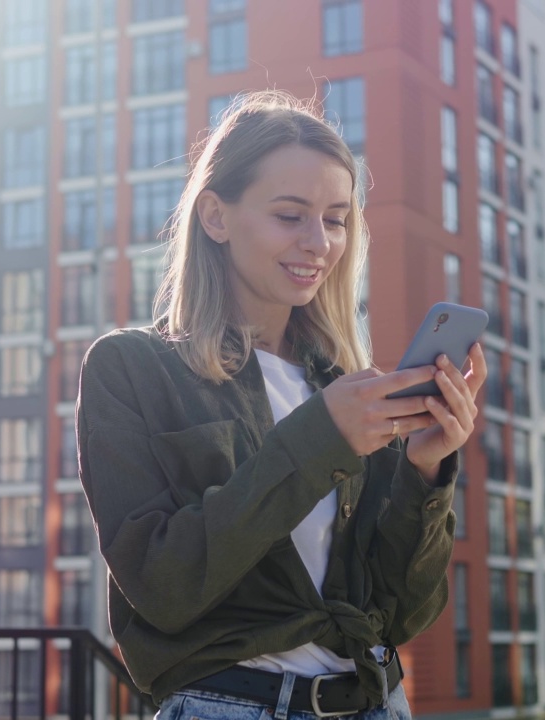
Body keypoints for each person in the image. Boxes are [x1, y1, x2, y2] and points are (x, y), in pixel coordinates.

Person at [76, 90, 487, 720]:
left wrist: (426, 472)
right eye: (290, 215)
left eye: (336, 219)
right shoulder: (132, 368)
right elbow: (163, 584)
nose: (319, 243)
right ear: (215, 216)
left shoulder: (341, 386)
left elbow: (403, 612)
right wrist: (321, 439)